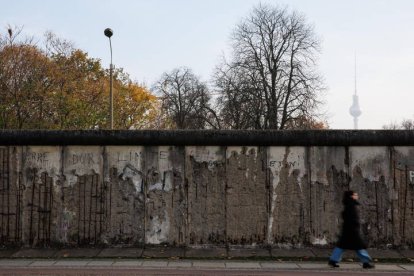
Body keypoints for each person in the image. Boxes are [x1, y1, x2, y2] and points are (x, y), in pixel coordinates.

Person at [328, 190, 375, 269]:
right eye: (355, 195)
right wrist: (356, 226)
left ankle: (333, 260)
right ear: (351, 196)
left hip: (348, 231)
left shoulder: (349, 205)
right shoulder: (351, 206)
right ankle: (366, 262)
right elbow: (352, 219)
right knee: (359, 247)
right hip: (352, 231)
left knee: (342, 246)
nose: (356, 196)